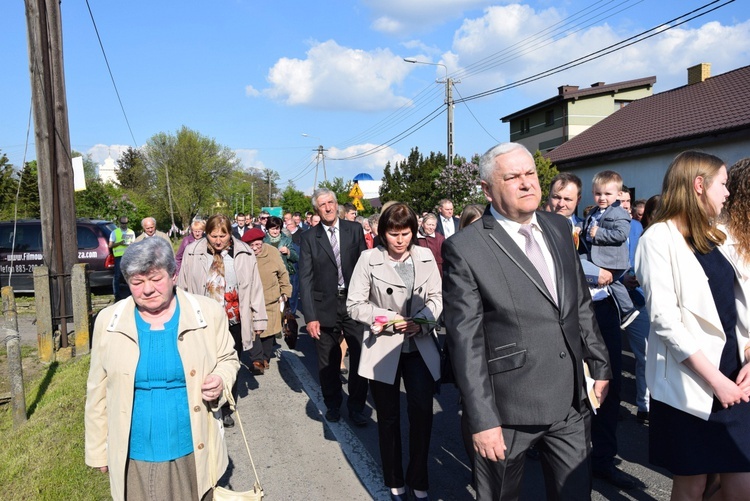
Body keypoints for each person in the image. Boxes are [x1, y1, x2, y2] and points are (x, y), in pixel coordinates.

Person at [442, 142, 611, 500]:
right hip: (507, 409)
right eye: (512, 177)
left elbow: (579, 302)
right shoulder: (466, 247)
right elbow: (466, 341)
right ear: (487, 189)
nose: (526, 183)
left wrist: (600, 362)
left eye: (531, 174)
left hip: (570, 401)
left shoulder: (558, 227)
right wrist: (482, 419)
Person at [85, 236, 240, 501]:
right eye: (137, 282)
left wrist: (220, 379)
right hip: (135, 454)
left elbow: (229, 358)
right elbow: (97, 390)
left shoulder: (207, 312)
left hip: (192, 447)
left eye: (155, 279)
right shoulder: (108, 321)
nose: (147, 289)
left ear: (173, 275)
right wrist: (98, 450)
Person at [635, 150, 750, 500]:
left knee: (741, 479)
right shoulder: (657, 239)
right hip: (691, 382)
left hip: (734, 374)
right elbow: (664, 320)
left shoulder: (714, 235)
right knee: (692, 483)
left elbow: (739, 304)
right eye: (723, 184)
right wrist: (716, 381)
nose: (728, 193)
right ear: (699, 185)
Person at [348, 202, 442, 501]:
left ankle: (419, 476)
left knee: (422, 415)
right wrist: (388, 319)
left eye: (406, 233)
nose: (400, 240)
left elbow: (439, 297)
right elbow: (354, 305)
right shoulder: (368, 259)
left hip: (419, 347)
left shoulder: (425, 255)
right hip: (383, 347)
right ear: (382, 233)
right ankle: (393, 476)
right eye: (393, 233)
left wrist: (423, 322)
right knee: (388, 418)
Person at [177, 214, 267, 427]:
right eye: (213, 235)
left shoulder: (244, 253)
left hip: (234, 319)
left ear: (230, 234)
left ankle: (227, 405)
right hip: (203, 320)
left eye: (222, 235)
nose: (218, 240)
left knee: (230, 363)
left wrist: (259, 320)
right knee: (203, 362)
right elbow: (183, 285)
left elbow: (255, 288)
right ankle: (204, 403)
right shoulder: (193, 252)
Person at [298, 188, 369, 426]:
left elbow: (365, 267)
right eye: (322, 205)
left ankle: (357, 407)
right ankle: (333, 404)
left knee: (360, 356)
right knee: (328, 362)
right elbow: (305, 279)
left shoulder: (354, 230)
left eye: (330, 203)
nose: (327, 208)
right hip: (324, 306)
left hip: (354, 302)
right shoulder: (309, 238)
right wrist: (310, 316)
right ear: (316, 210)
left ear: (337, 204)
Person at [579, 171, 639, 329]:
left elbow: (621, 234)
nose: (602, 198)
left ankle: (627, 310)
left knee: (607, 278)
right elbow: (585, 225)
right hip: (598, 255)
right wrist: (577, 228)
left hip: (611, 258)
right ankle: (627, 311)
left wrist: (599, 233)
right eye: (598, 193)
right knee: (611, 283)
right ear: (592, 193)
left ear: (619, 194)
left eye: (607, 193)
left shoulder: (620, 213)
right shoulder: (594, 211)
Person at [242, 228, 292, 373]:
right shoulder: (243, 255)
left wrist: (285, 291)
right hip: (250, 300)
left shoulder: (272, 252)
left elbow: (283, 273)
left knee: (268, 331)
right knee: (253, 331)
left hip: (270, 299)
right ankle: (257, 360)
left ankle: (265, 358)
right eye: (252, 245)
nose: (255, 248)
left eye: (258, 244)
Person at [109, 216, 135, 301]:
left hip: (129, 256)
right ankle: (117, 294)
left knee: (130, 274)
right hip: (118, 257)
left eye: (125, 223)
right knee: (117, 276)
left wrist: (131, 244)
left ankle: (131, 293)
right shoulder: (114, 232)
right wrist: (119, 243)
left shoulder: (131, 232)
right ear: (119, 223)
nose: (124, 225)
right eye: (122, 223)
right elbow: (110, 245)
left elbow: (134, 244)